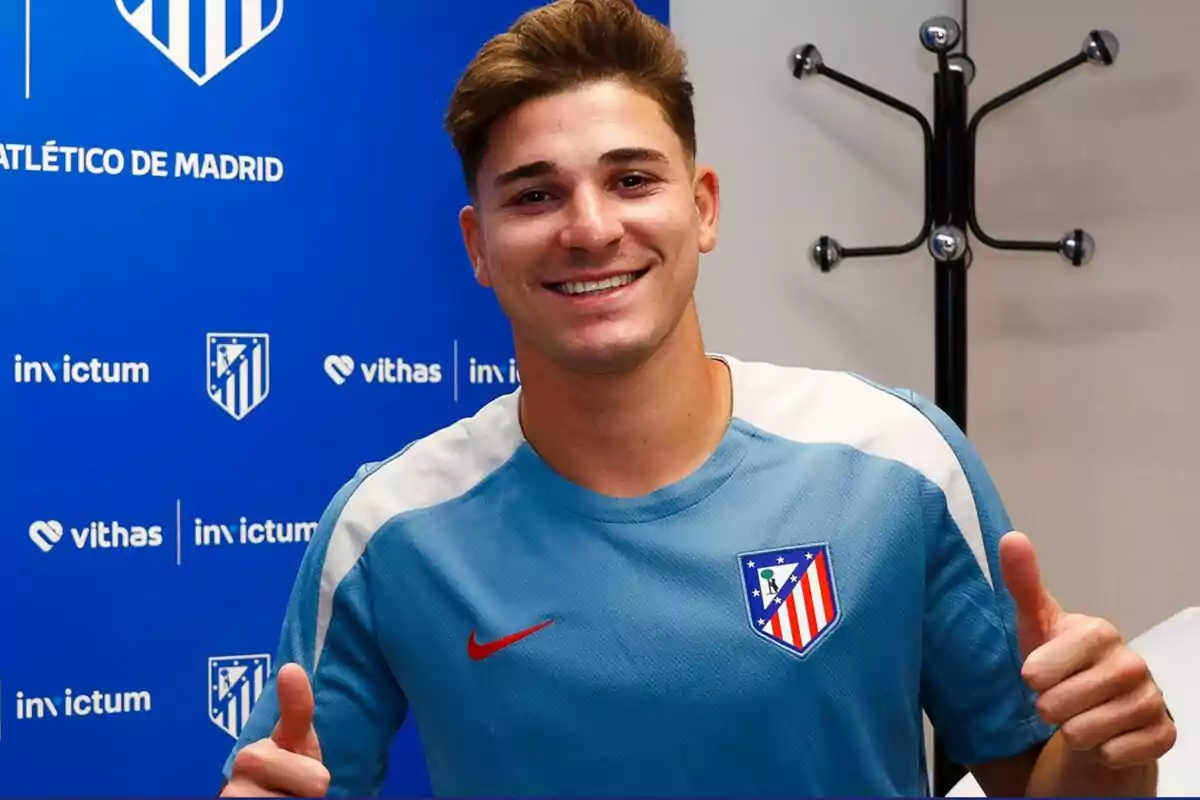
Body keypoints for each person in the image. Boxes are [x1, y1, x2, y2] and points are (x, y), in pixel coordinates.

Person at [218, 0, 1176, 796]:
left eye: (632, 179)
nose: (591, 229)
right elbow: (290, 780)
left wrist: (1107, 751)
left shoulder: (894, 460)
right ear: (477, 243)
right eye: (535, 196)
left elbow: (1035, 782)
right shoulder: (388, 529)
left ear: (702, 206)